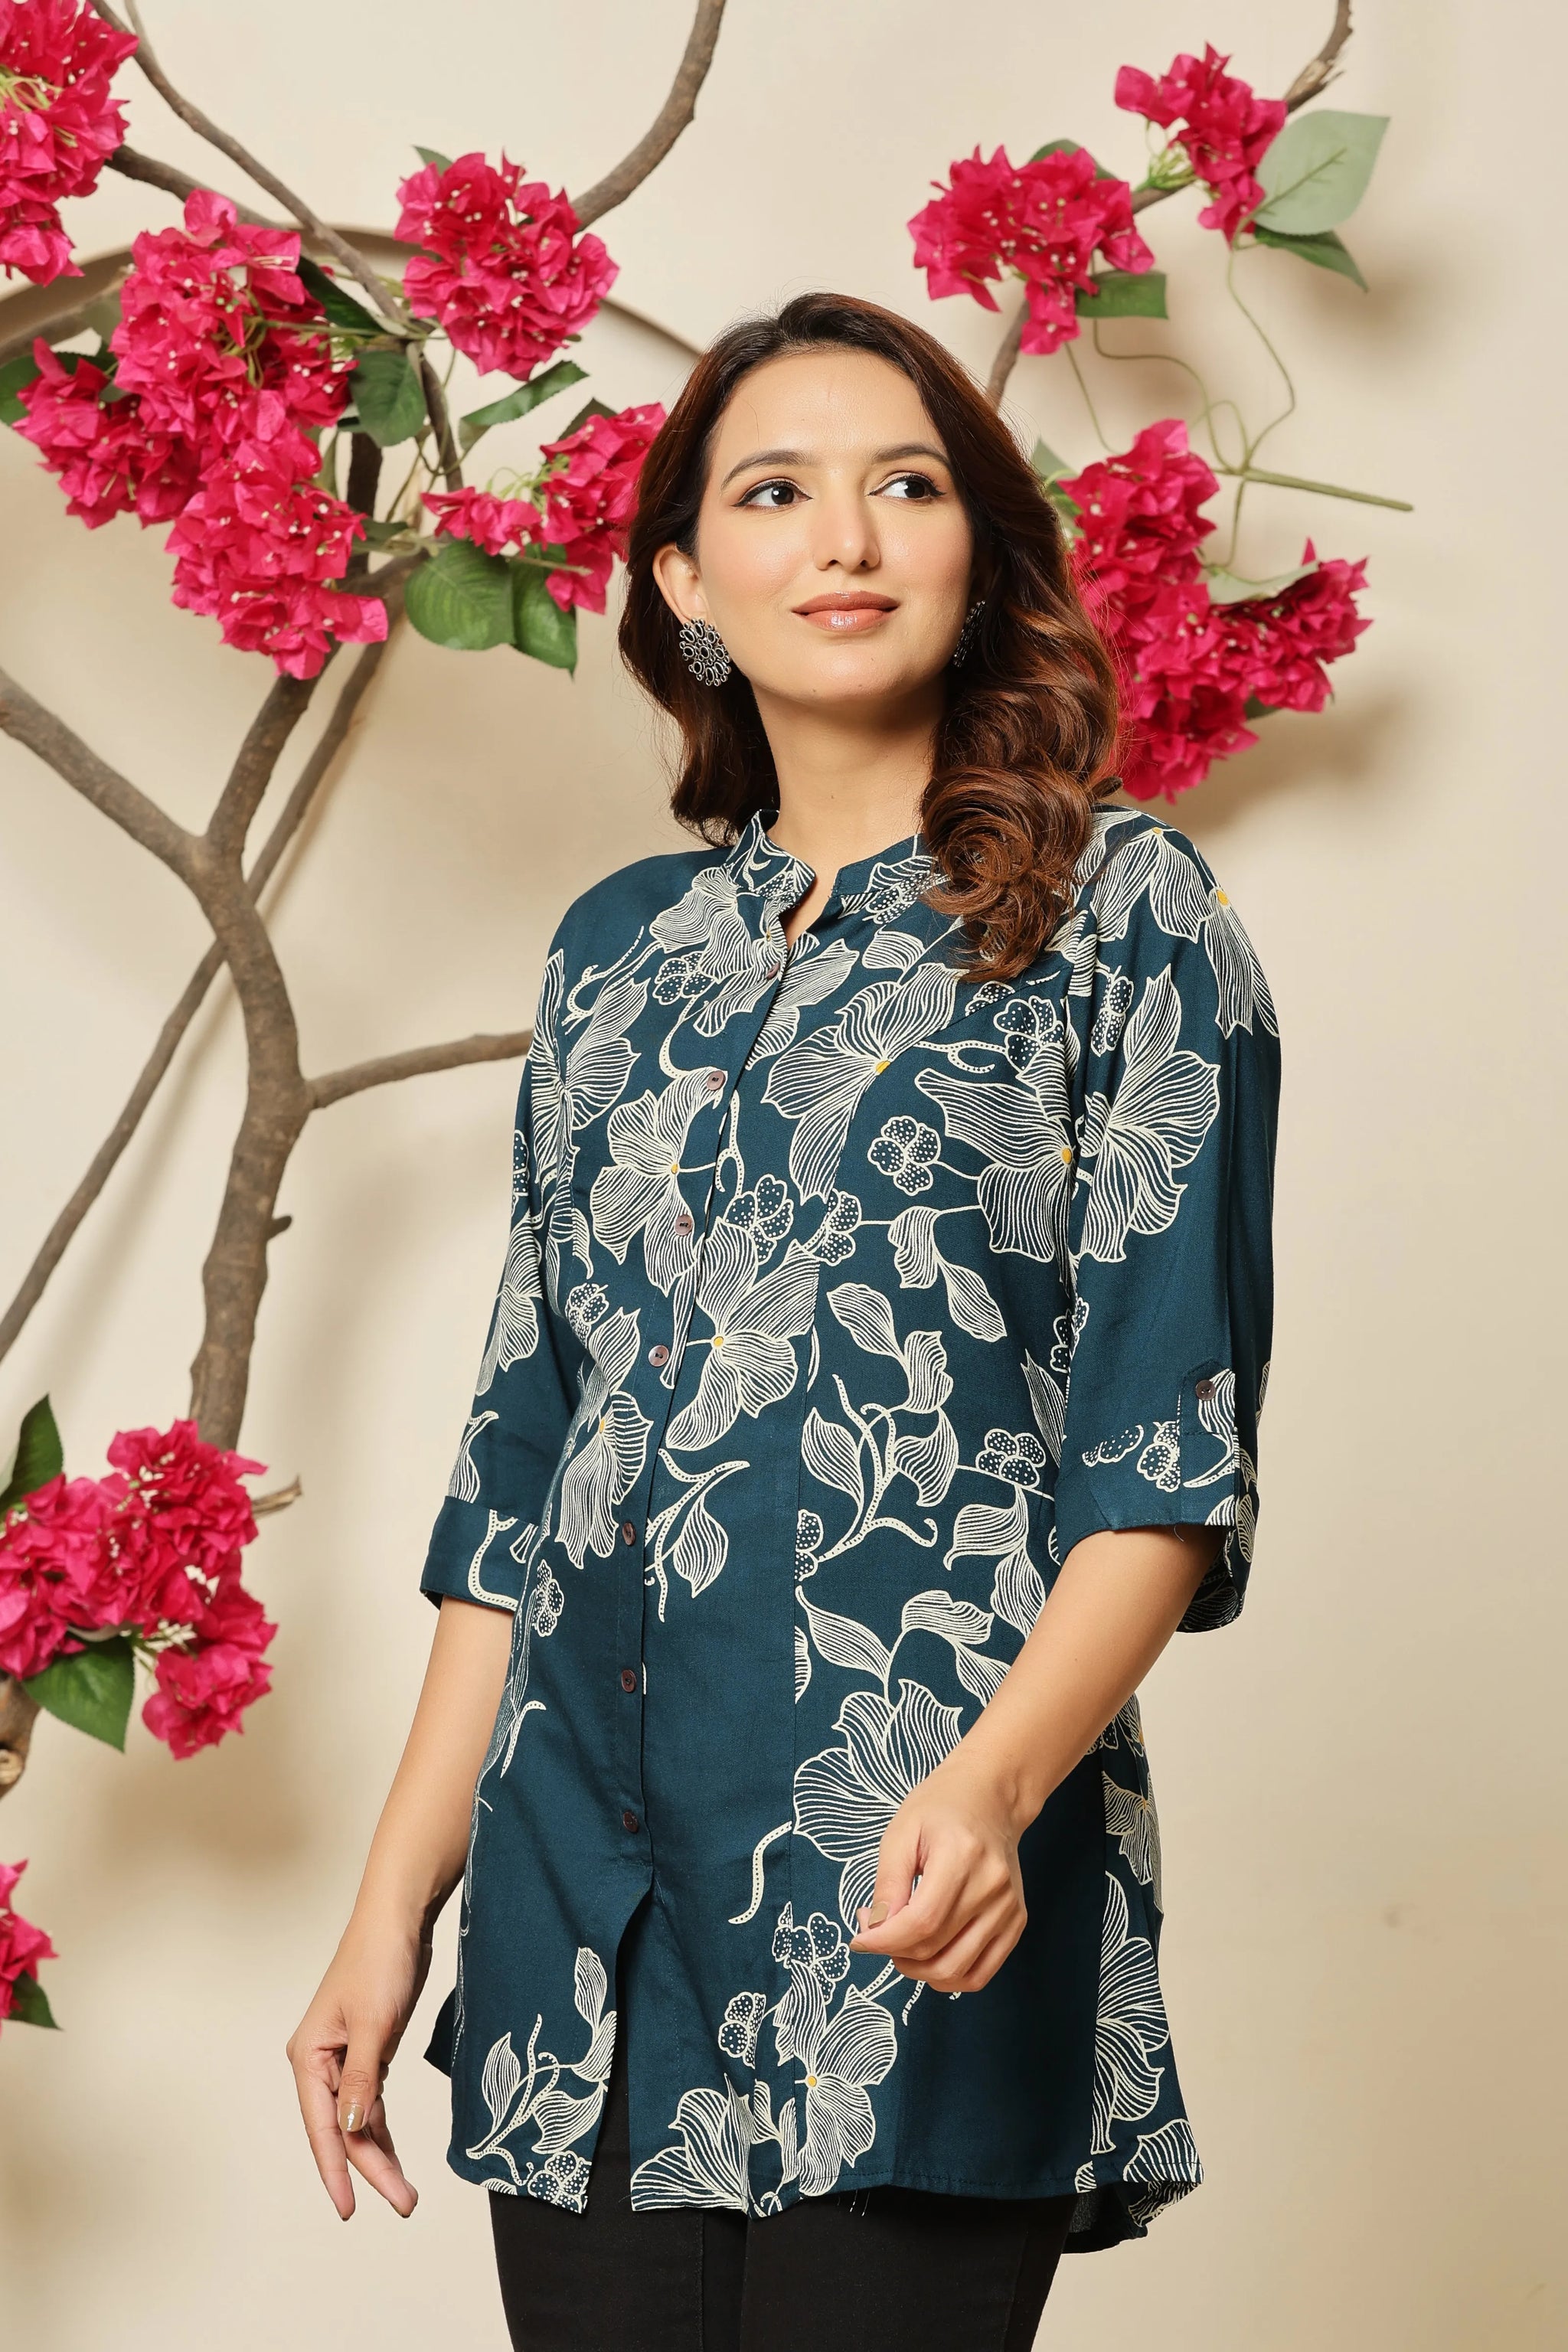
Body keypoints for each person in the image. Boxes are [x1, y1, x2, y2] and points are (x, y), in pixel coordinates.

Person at [287, 289, 1280, 2351]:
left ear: (980, 550)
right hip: (583, 1919)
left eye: (905, 484)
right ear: (686, 583)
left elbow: (1165, 1453)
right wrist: (393, 1910)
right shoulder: (617, 955)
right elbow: (523, 1474)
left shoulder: (1128, 912)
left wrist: (996, 1789)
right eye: (774, 493)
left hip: (916, 1880)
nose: (844, 537)